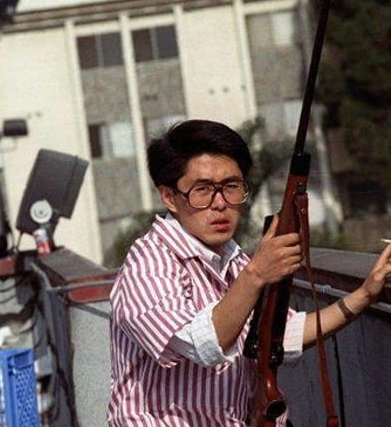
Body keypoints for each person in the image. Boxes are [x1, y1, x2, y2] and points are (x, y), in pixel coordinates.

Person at [107, 119, 391, 426]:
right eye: (202, 190)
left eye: (231, 187)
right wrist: (256, 275)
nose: (220, 204)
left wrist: (364, 295)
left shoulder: (232, 259)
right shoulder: (148, 263)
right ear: (169, 197)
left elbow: (285, 333)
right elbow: (201, 343)